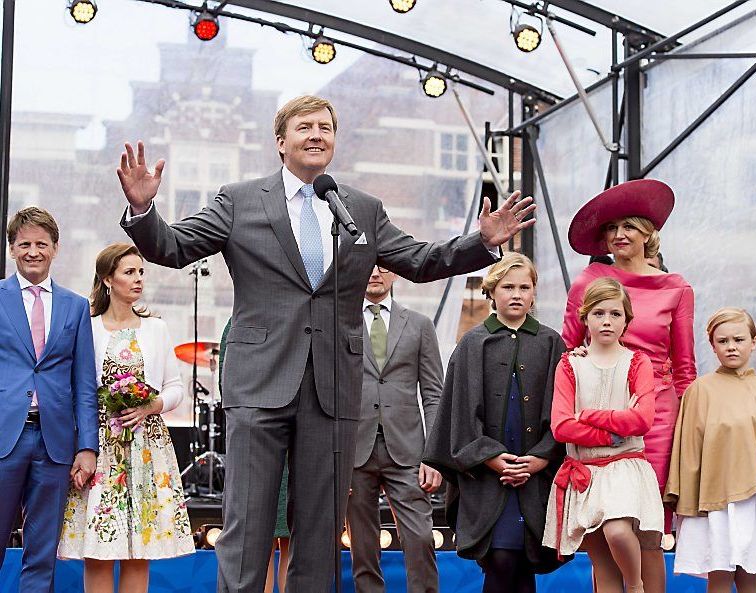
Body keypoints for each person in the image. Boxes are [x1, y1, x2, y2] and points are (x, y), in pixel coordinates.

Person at [116, 95, 533, 593]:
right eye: (304, 127)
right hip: (259, 384)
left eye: (326, 128)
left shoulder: (359, 208)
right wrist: (143, 210)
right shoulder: (241, 199)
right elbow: (174, 246)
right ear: (281, 141)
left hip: (333, 389)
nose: (316, 134)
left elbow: (421, 261)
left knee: (318, 532)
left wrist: (482, 243)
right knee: (247, 527)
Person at [562, 179, 695, 593]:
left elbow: (685, 365)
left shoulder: (677, 287)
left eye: (629, 226)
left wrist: (693, 427)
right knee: (603, 525)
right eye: (612, 228)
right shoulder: (590, 279)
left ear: (648, 233)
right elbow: (568, 346)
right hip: (596, 406)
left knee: (648, 528)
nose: (619, 235)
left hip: (655, 416)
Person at [424, 253, 567, 593]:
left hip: (536, 475)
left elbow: (563, 410)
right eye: (508, 287)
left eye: (524, 287)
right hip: (488, 477)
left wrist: (542, 457)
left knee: (523, 562)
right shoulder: (472, 344)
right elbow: (457, 415)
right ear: (492, 292)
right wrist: (489, 457)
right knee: (501, 558)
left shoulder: (551, 343)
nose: (516, 294)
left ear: (534, 292)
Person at [58, 243, 194, 592]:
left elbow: (176, 387)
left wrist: (152, 406)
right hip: (100, 447)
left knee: (140, 547)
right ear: (107, 279)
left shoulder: (156, 329)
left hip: (146, 448)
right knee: (99, 551)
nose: (138, 280)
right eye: (129, 272)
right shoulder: (86, 327)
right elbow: (77, 389)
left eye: (141, 272)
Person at [666, 307, 756, 592]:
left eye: (738, 339)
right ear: (712, 345)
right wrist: (685, 495)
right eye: (723, 341)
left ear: (754, 341)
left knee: (751, 573)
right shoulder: (700, 390)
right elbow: (688, 450)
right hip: (715, 499)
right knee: (719, 573)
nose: (731, 347)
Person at [543, 277, 664, 593]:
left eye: (615, 314)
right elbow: (561, 427)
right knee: (603, 567)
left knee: (618, 532)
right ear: (585, 318)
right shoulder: (570, 365)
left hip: (624, 468)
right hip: (585, 473)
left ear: (627, 319)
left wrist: (587, 416)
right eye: (598, 313)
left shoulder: (637, 362)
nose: (607, 321)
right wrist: (611, 433)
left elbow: (642, 420)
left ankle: (636, 585)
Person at [0, 207, 98, 592]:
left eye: (41, 244)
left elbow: (84, 385)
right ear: (12, 249)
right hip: (5, 437)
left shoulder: (75, 306)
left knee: (42, 556)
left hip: (55, 444)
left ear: (55, 249)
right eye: (24, 244)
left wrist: (87, 446)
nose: (33, 251)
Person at [347, 265, 443, 593]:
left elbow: (433, 393)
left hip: (408, 450)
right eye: (369, 266)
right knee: (362, 544)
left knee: (420, 537)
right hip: (354, 450)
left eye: (383, 267)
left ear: (395, 274)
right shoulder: (339, 321)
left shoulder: (419, 325)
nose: (374, 273)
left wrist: (434, 454)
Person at [219, 320, 290, 593]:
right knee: (255, 539)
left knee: (293, 541)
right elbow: (228, 383)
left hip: (298, 449)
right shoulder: (243, 317)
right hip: (259, 442)